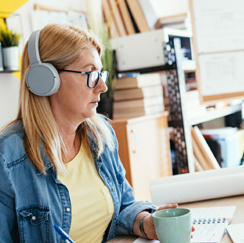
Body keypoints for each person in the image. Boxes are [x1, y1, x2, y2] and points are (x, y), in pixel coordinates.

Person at [0, 23, 179, 243]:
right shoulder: (8, 158)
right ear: (46, 80)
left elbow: (122, 205)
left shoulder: (101, 136)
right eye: (91, 73)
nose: (102, 86)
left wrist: (146, 223)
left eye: (100, 73)